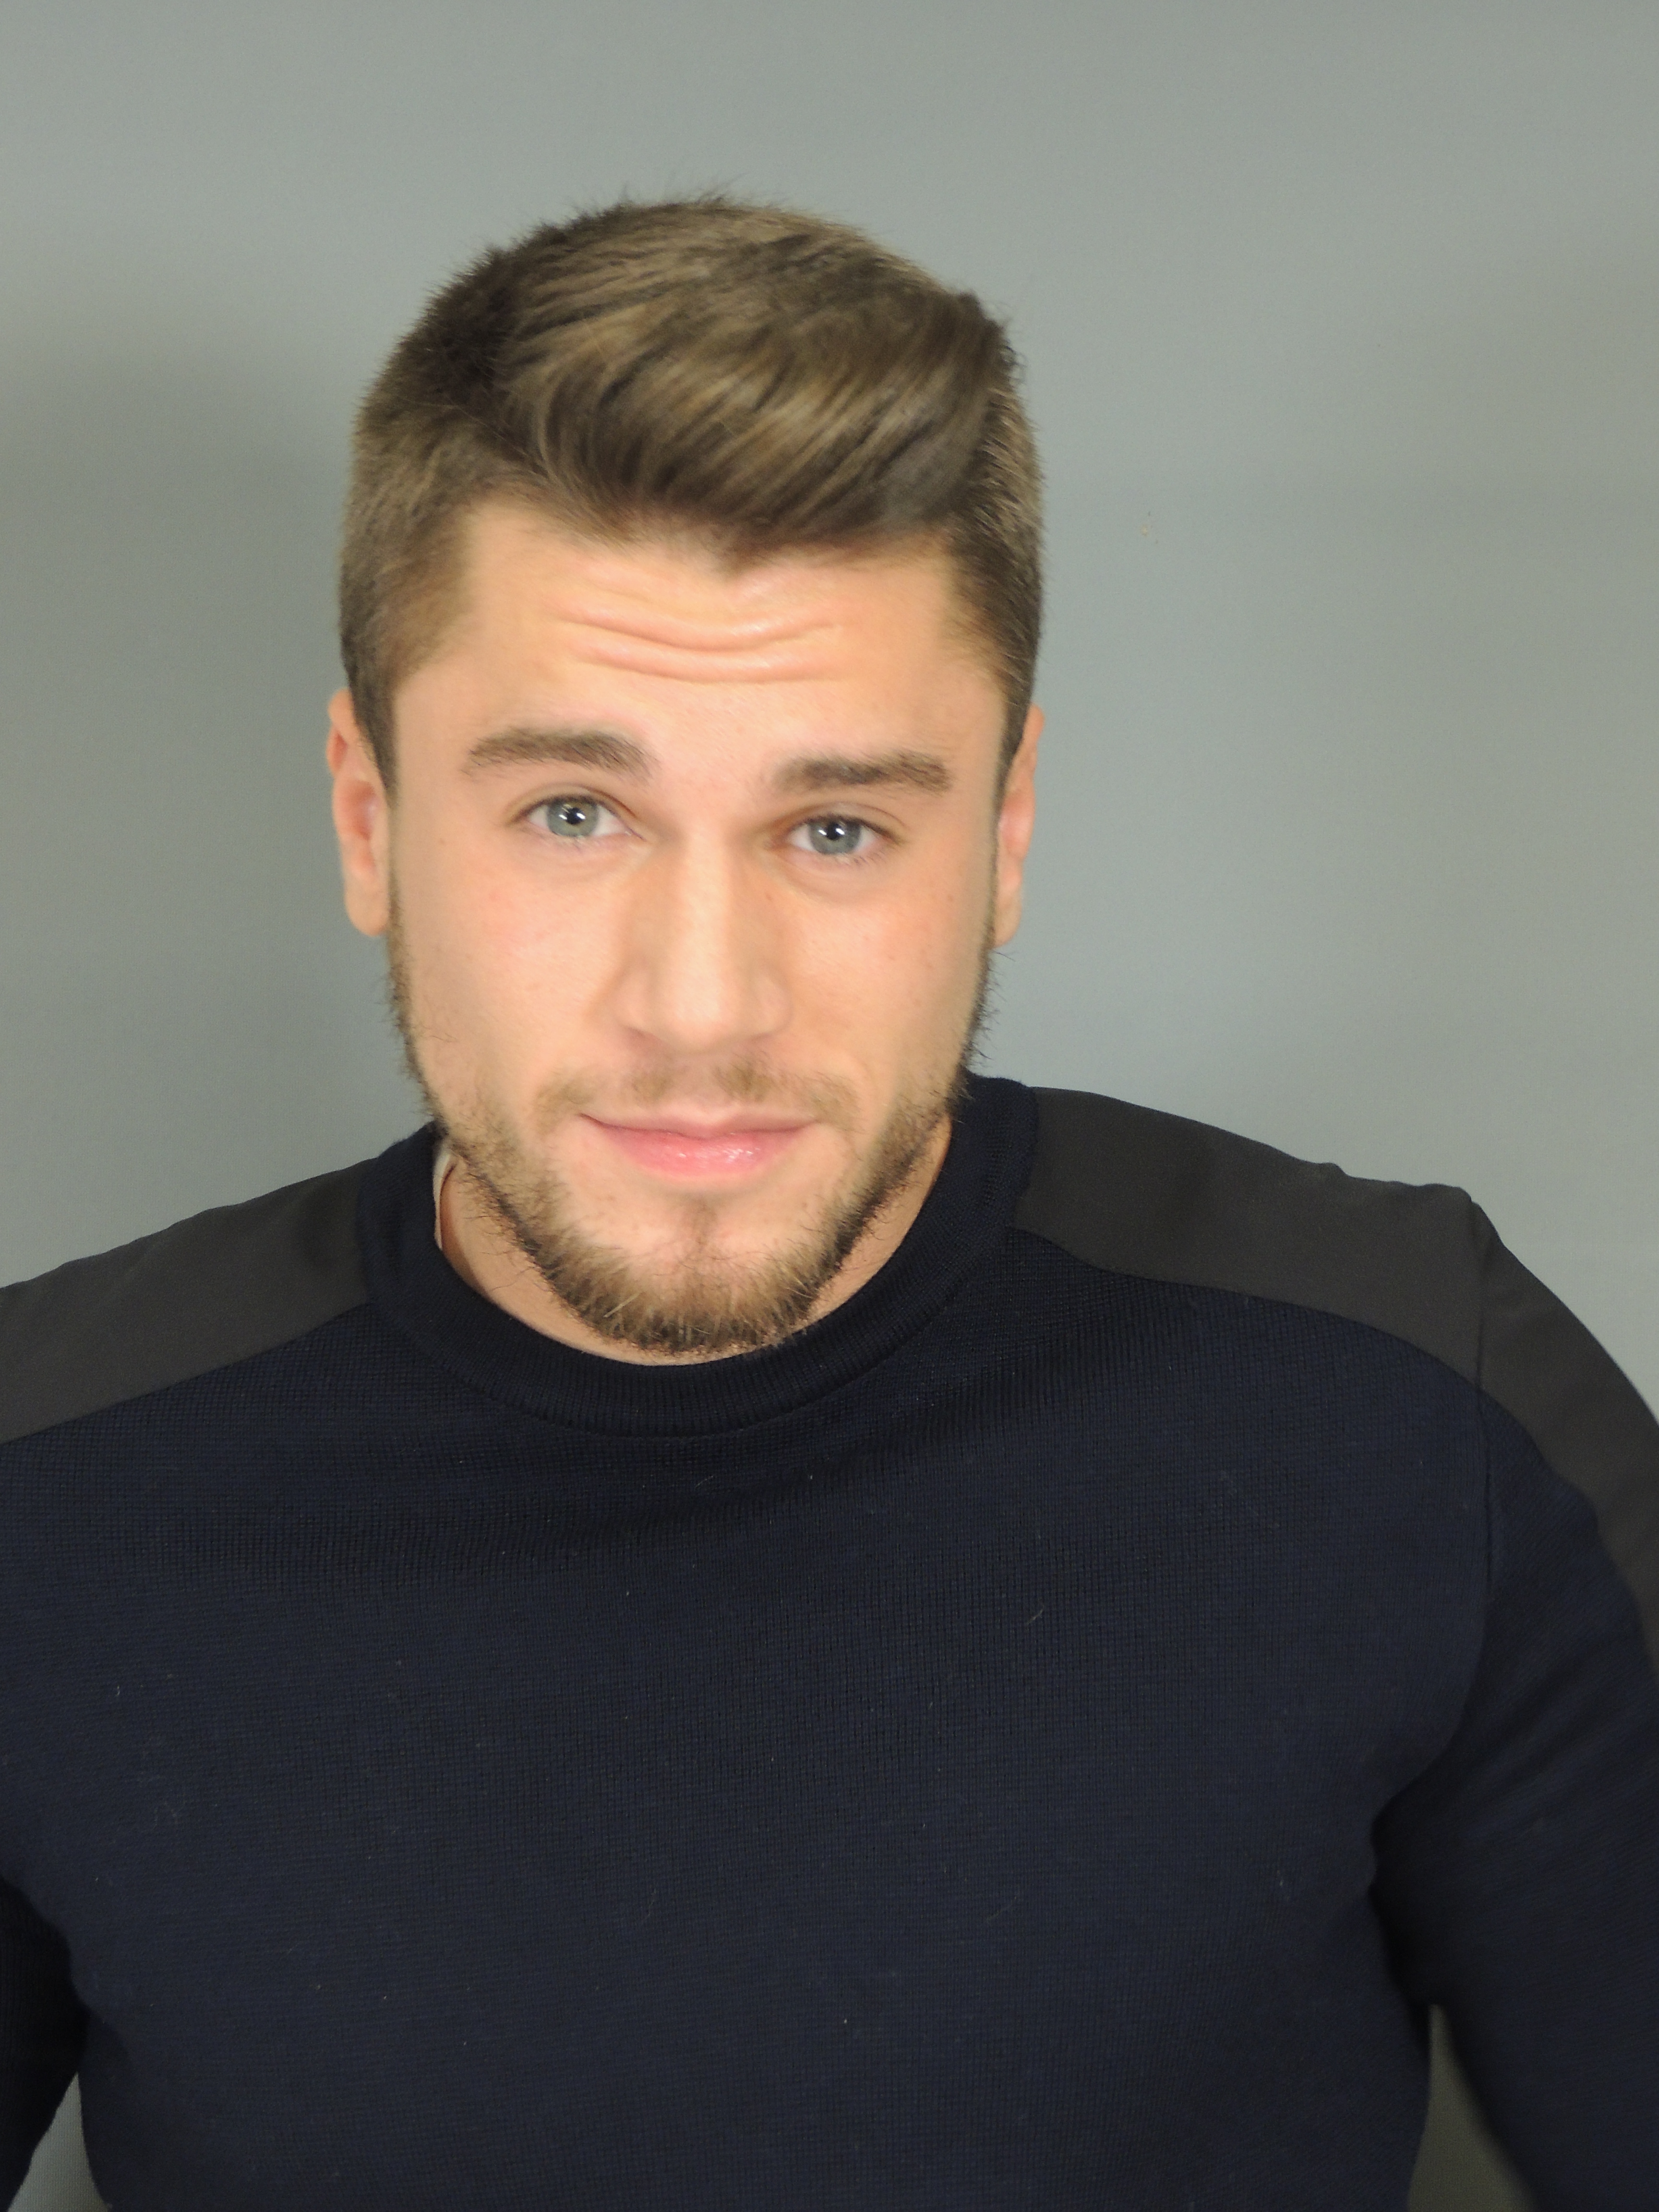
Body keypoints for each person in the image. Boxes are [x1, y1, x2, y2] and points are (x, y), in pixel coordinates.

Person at [1, 196, 1655, 2212]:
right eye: (574, 814)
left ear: (1007, 833)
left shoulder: (1417, 1408)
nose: (706, 1005)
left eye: (839, 827)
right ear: (370, 819)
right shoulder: (42, 1485)